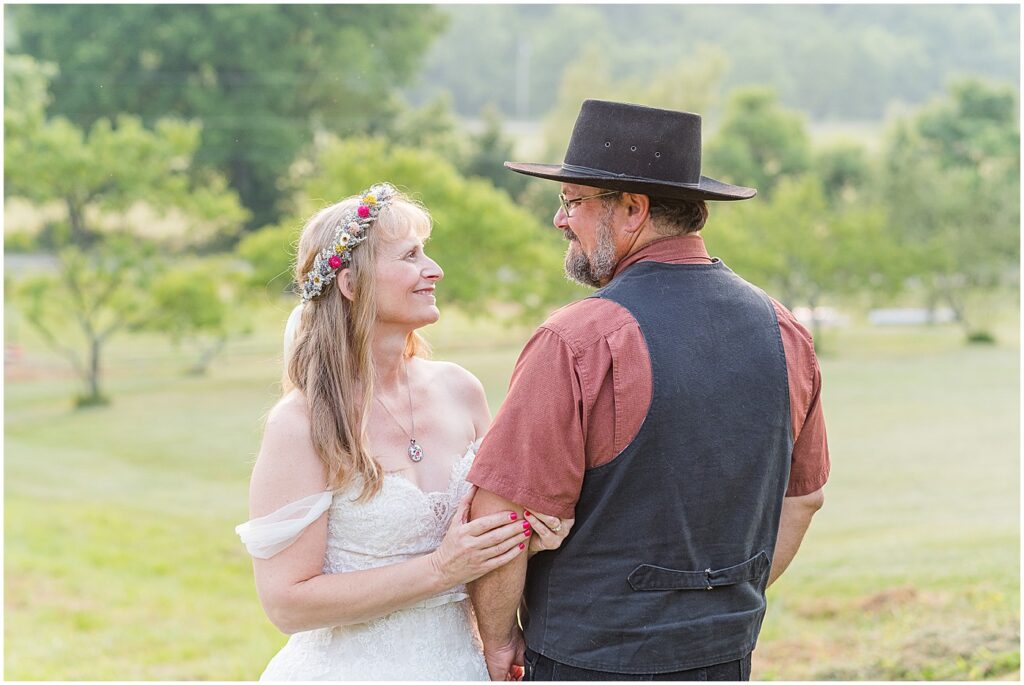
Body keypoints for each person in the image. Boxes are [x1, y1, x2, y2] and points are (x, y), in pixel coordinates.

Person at [466, 100, 830, 681]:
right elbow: (803, 500)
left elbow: (502, 519)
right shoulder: (783, 329)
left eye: (573, 201)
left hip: (583, 663)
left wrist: (499, 641)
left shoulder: (578, 339)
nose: (561, 220)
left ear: (632, 209)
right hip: (725, 657)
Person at [235, 183, 572, 680]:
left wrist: (524, 540)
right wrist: (441, 569)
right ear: (350, 284)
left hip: (462, 666)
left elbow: (483, 537)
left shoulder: (461, 390)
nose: (434, 270)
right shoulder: (302, 422)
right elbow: (288, 604)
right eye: (411, 256)